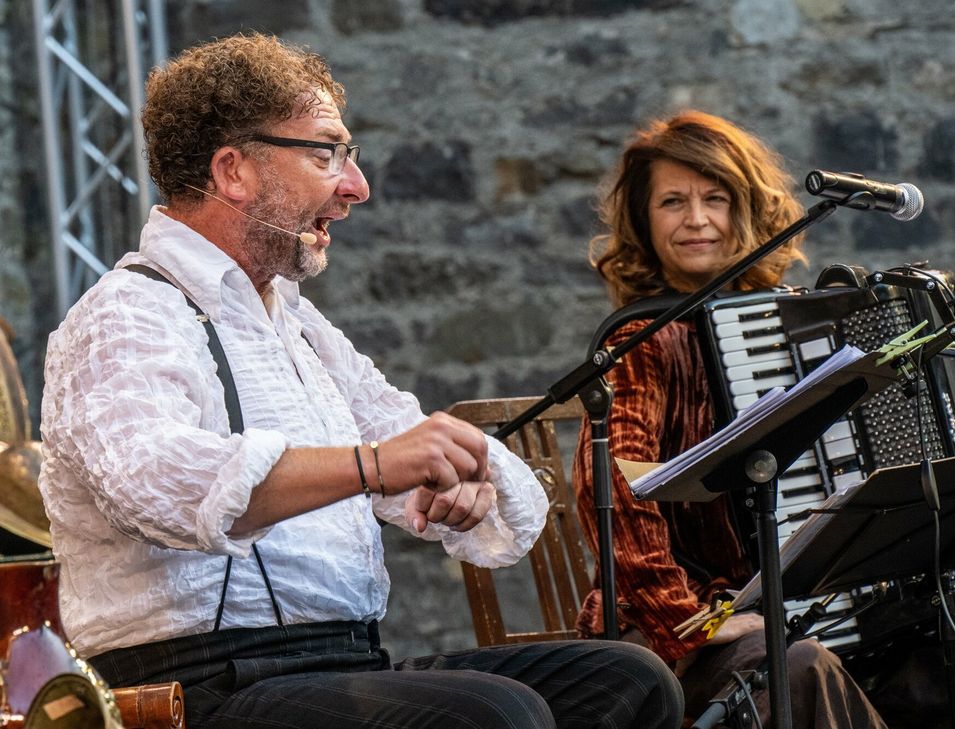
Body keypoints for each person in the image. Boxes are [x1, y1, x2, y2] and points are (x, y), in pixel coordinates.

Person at [37, 33, 683, 729]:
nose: (356, 186)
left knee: (626, 679)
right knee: (495, 714)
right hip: (195, 685)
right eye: (326, 153)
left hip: (340, 664)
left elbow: (404, 433)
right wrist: (373, 466)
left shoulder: (298, 324)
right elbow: (157, 482)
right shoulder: (124, 313)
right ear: (233, 171)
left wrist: (463, 476)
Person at [573, 110, 891, 727]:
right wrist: (688, 620)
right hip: (675, 625)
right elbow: (609, 488)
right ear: (644, 220)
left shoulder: (795, 324)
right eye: (672, 201)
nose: (696, 220)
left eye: (715, 198)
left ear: (746, 210)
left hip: (798, 605)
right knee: (795, 666)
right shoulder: (643, 340)